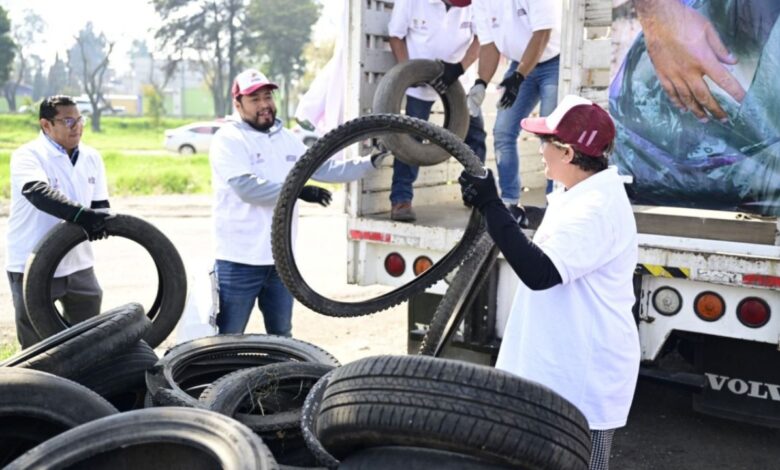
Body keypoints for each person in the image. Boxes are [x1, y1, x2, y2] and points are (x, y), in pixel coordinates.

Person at [458, 95, 640, 470]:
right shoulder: (581, 193)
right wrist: (516, 214)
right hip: (558, 369)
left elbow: (539, 273)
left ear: (568, 153)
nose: (540, 149)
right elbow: (557, 220)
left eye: (546, 143)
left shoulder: (596, 211)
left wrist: (492, 207)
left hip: (581, 378)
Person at [210, 69, 383, 336]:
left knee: (282, 336)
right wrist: (297, 192)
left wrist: (372, 162)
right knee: (228, 337)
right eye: (254, 99)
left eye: (267, 97)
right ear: (238, 104)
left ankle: (279, 378)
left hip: (281, 260)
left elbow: (326, 169)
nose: (264, 105)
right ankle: (222, 379)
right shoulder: (229, 139)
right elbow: (246, 188)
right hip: (239, 261)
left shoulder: (286, 139)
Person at [6, 95, 112, 348]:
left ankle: (81, 385)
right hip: (31, 262)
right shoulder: (28, 155)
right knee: (36, 345)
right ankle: (33, 386)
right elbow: (38, 192)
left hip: (79, 263)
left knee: (87, 339)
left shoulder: (91, 157)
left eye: (79, 120)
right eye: (67, 121)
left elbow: (100, 206)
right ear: (46, 125)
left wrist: (100, 220)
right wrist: (81, 216)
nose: (77, 127)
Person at [386, 0, 486, 222]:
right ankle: (401, 199)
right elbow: (396, 36)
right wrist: (407, 72)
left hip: (458, 81)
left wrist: (459, 68)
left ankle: (477, 194)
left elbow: (482, 38)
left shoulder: (474, 4)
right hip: (419, 82)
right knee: (409, 141)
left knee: (475, 137)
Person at [468, 0, 562, 218]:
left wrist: (519, 76)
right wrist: (481, 82)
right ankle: (509, 201)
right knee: (502, 132)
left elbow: (542, 34)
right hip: (519, 64)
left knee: (550, 135)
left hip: (554, 62)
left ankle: (554, 204)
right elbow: (488, 45)